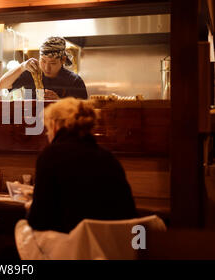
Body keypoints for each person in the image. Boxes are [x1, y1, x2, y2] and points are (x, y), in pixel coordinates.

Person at [27, 98, 137, 233]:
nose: (48, 134)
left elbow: (39, 221)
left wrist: (30, 208)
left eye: (48, 129)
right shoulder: (108, 158)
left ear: (55, 125)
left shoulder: (50, 156)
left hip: (72, 248)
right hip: (113, 248)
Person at [0, 36, 88, 100]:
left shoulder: (74, 81)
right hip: (32, 123)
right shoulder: (31, 73)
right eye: (43, 61)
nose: (46, 68)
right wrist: (22, 66)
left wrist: (59, 102)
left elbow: (83, 110)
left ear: (63, 60)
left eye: (52, 63)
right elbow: (2, 85)